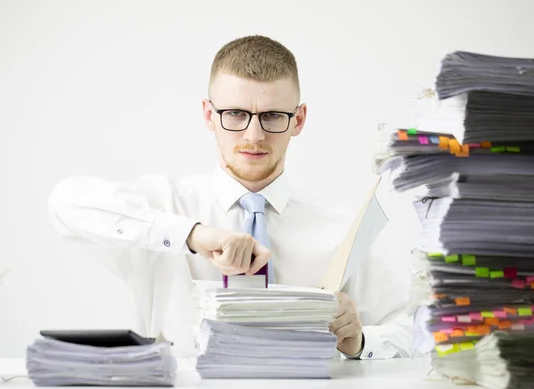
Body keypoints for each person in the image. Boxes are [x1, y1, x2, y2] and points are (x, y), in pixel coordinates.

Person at [48, 35, 414, 360]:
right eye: (235, 114)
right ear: (209, 115)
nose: (254, 135)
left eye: (272, 116)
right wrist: (192, 234)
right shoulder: (166, 206)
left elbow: (412, 330)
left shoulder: (342, 228)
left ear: (298, 120)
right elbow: (65, 203)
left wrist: (361, 339)